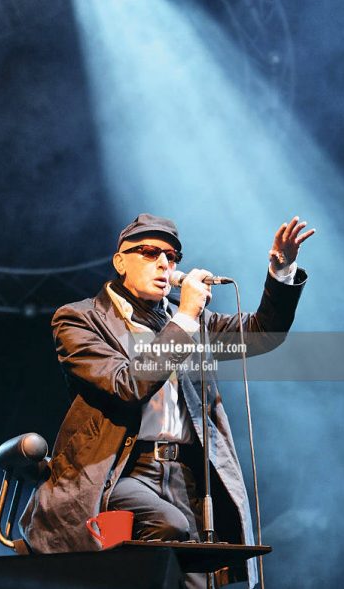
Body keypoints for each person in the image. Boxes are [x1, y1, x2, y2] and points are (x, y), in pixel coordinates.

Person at [19, 213, 314, 588]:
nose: (164, 263)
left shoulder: (190, 323)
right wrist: (187, 317)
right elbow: (126, 385)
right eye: (148, 252)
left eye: (172, 256)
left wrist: (282, 271)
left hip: (184, 474)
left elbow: (261, 334)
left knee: (196, 576)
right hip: (117, 472)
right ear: (120, 261)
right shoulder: (80, 320)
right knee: (168, 525)